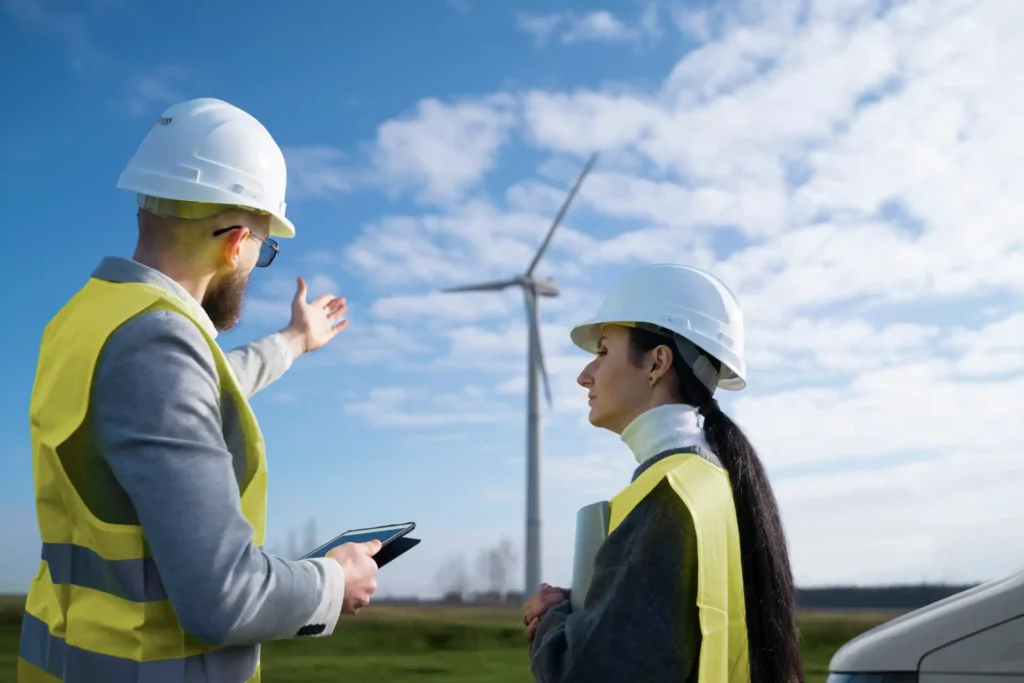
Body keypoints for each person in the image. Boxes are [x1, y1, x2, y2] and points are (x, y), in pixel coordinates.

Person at [18, 98, 380, 683]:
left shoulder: (89, 320)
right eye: (265, 248)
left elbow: (198, 393)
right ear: (235, 242)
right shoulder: (157, 344)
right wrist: (334, 582)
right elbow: (223, 596)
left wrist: (293, 340)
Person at [523, 263, 805, 683]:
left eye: (602, 352)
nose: (585, 376)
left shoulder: (667, 495)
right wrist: (593, 607)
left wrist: (550, 622)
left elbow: (587, 673)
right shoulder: (712, 483)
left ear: (657, 363)